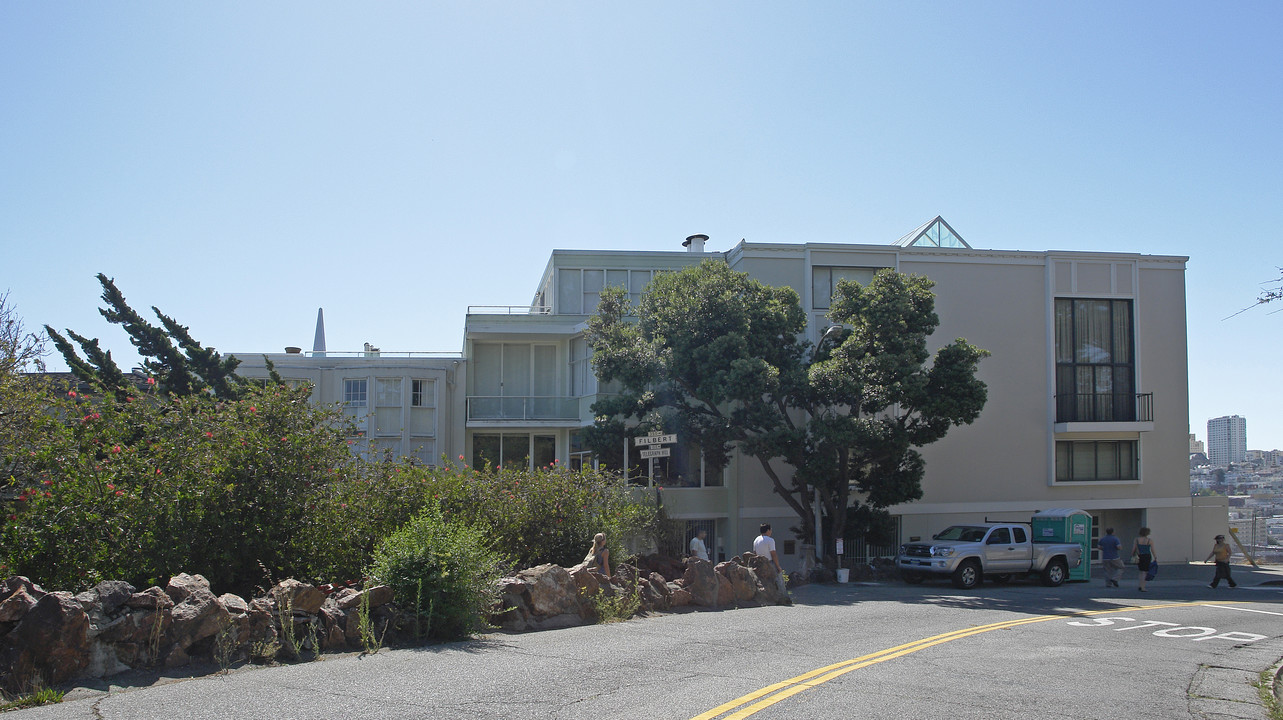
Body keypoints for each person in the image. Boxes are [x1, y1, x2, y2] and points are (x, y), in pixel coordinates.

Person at [753, 523, 786, 592]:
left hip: (759, 563)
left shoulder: (756, 540)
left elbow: (754, 553)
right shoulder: (770, 540)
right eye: (770, 530)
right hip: (769, 562)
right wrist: (778, 566)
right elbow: (773, 554)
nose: (771, 531)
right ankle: (782, 595)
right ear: (768, 530)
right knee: (778, 580)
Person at [1131, 527, 1156, 592]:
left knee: (1141, 571)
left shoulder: (1136, 539)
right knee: (1145, 571)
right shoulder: (1149, 540)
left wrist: (1132, 555)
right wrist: (1155, 556)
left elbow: (1134, 548)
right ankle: (1143, 587)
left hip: (1140, 556)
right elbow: (1152, 549)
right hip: (1147, 556)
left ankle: (1140, 585)